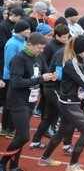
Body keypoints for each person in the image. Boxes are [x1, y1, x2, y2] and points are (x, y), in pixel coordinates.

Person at [38, 35, 84, 170]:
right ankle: (73, 165)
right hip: (68, 103)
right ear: (80, 49)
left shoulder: (82, 60)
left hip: (73, 101)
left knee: (61, 133)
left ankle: (44, 158)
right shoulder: (72, 63)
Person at [0, 32, 58, 171]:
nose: (41, 51)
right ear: (29, 44)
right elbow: (16, 82)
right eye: (39, 47)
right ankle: (2, 163)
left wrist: (53, 75)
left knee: (20, 136)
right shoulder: (19, 59)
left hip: (31, 101)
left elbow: (45, 71)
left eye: (43, 48)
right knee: (24, 136)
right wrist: (42, 79)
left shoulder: (39, 57)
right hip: (18, 102)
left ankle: (14, 166)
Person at [0, 20, 31, 140]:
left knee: (10, 104)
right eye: (27, 29)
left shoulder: (22, 41)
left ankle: (7, 127)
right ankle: (10, 128)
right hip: (12, 78)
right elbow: (10, 63)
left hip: (17, 76)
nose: (29, 31)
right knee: (12, 104)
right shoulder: (12, 44)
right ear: (20, 31)